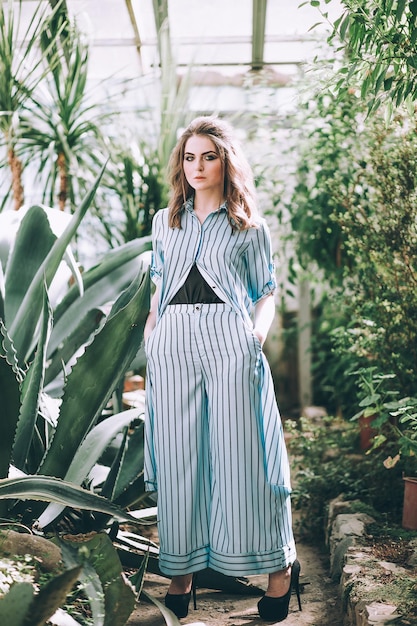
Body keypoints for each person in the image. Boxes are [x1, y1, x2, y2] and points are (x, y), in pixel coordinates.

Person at [143, 115, 300, 622]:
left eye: (208, 156)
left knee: (243, 461)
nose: (197, 165)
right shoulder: (164, 223)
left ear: (225, 161)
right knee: (179, 459)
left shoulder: (248, 228)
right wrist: (152, 334)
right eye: (190, 156)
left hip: (230, 344)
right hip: (172, 349)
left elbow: (266, 292)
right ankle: (182, 572)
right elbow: (158, 288)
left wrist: (256, 335)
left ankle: (278, 573)